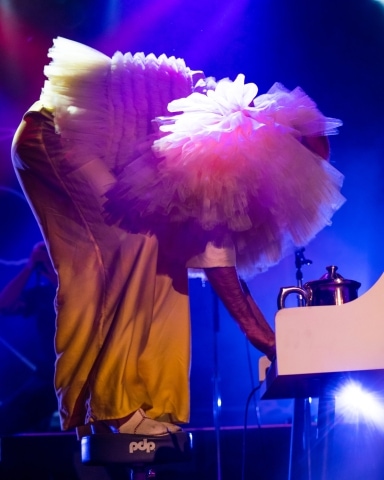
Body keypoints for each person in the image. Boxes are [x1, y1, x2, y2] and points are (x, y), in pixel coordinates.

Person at [11, 37, 344, 437]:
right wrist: (262, 335)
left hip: (65, 137)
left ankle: (132, 406)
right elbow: (216, 256)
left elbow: (211, 250)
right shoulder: (233, 140)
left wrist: (268, 336)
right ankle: (118, 405)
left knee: (148, 263)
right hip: (58, 131)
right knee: (137, 241)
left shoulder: (244, 141)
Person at [0, 241, 58, 434]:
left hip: (79, 375)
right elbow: (5, 305)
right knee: (6, 420)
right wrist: (30, 267)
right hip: (49, 376)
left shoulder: (82, 288)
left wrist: (53, 267)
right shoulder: (42, 294)